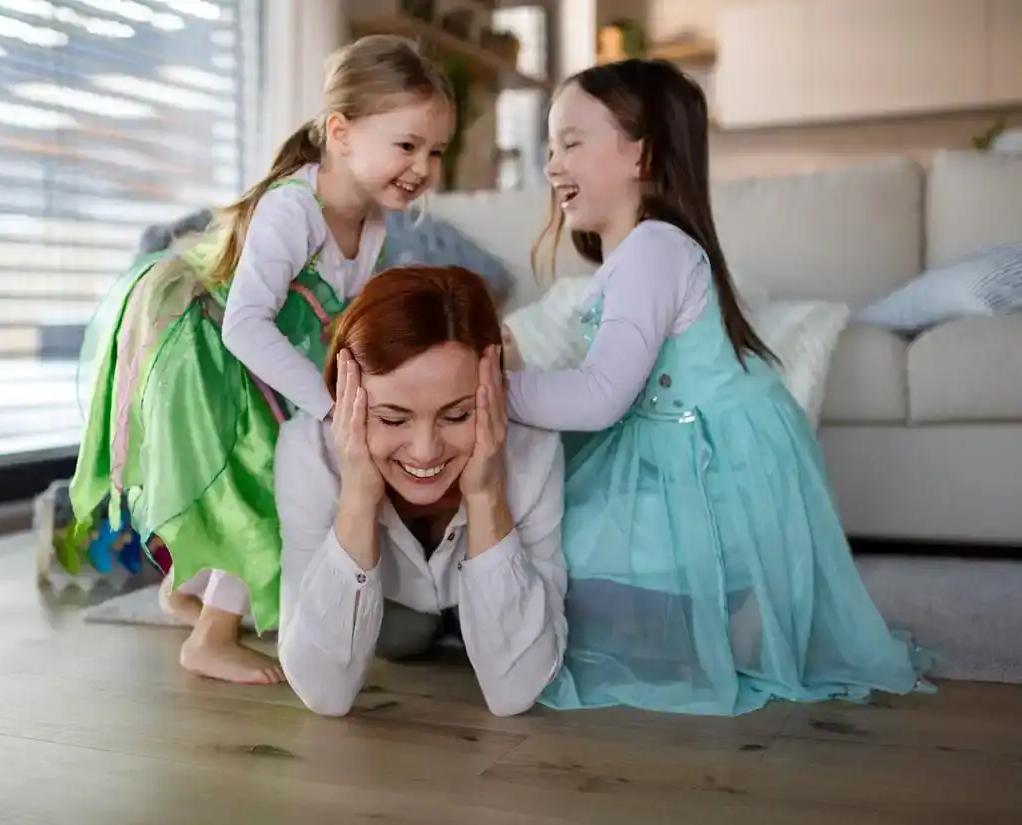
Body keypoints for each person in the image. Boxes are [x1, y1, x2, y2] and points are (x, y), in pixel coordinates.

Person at [503, 59, 930, 716]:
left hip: (714, 476)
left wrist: (494, 390)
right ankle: (674, 611)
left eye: (571, 143)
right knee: (561, 533)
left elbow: (598, 397)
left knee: (558, 545)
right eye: (550, 146)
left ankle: (680, 609)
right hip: (688, 452)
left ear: (641, 154)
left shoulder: (654, 249)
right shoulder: (635, 252)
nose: (552, 165)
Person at [64, 36, 455, 686]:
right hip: (206, 343)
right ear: (342, 132)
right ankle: (210, 638)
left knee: (273, 474)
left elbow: (342, 327)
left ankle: (183, 593)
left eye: (435, 150)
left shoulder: (377, 225)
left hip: (256, 349)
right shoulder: (293, 210)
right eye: (407, 145)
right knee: (262, 483)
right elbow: (246, 323)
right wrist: (330, 406)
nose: (422, 165)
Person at [274, 265, 568, 717]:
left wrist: (487, 494)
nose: (426, 451)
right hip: (394, 606)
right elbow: (323, 692)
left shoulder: (535, 448)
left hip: (469, 591)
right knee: (402, 635)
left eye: (456, 416)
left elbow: (515, 691)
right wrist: (357, 496)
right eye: (393, 419)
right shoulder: (309, 450)